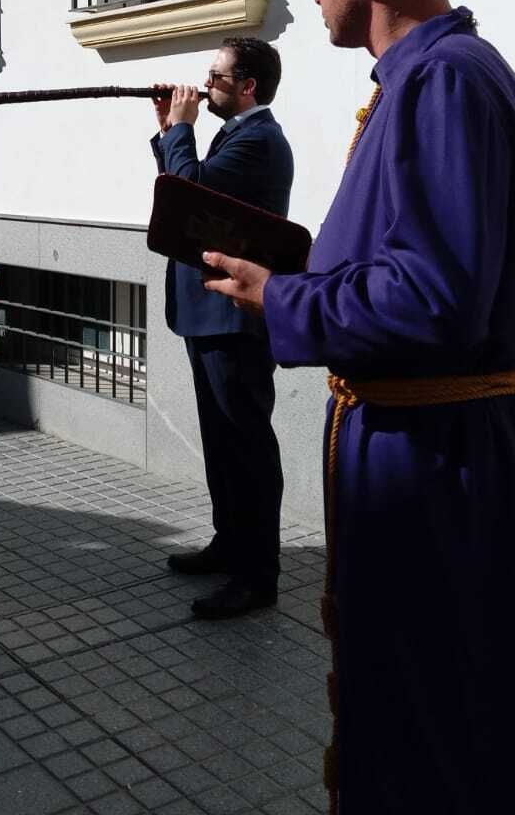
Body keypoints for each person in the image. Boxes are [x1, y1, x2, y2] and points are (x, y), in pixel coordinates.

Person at [202, 0, 515, 813]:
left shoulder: (446, 82)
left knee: (451, 724)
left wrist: (287, 302)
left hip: (446, 470)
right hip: (454, 454)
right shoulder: (436, 77)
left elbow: (434, 299)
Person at [150, 37, 293, 620]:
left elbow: (193, 192)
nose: (205, 83)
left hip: (236, 316)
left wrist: (179, 131)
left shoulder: (259, 140)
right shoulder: (236, 134)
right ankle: (229, 541)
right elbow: (184, 192)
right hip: (209, 311)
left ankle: (258, 575)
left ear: (248, 86)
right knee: (221, 438)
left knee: (246, 442)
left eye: (216, 74)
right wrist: (169, 131)